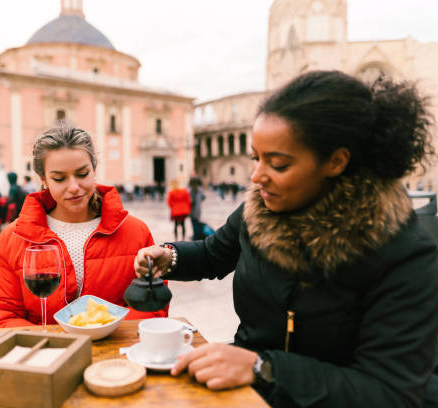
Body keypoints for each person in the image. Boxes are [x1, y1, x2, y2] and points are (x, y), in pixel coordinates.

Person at [133, 71, 438, 407]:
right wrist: (170, 257)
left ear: (336, 161)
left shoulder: (402, 254)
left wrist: (264, 367)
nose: (256, 176)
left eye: (277, 164)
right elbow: (212, 254)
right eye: (256, 158)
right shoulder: (259, 211)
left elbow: (390, 393)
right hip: (248, 394)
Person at [0, 124, 168, 328]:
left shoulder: (136, 232)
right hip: (45, 356)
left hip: (115, 356)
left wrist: (106, 335)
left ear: (94, 170)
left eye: (82, 174)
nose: (73, 187)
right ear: (43, 179)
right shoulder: (13, 238)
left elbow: (153, 305)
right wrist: (54, 346)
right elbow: (0, 314)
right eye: (59, 178)